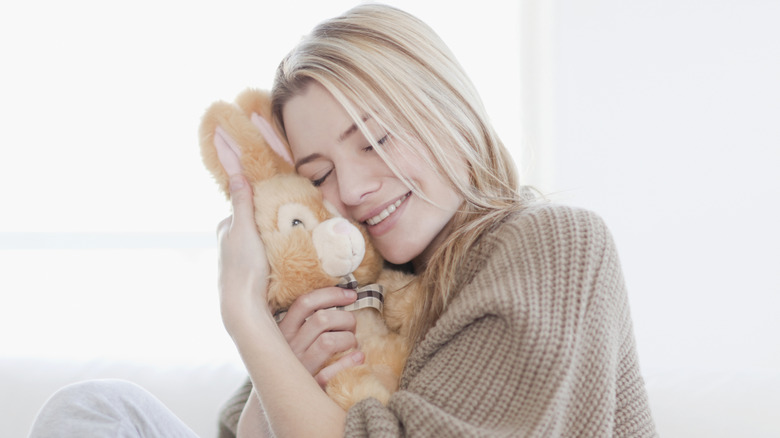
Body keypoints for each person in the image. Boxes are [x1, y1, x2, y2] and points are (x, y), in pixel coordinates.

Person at [29, 4, 656, 437]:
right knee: (95, 411)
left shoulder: (553, 243)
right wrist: (281, 360)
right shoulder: (351, 283)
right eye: (320, 174)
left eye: (375, 140)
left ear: (450, 112)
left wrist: (243, 312)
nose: (352, 190)